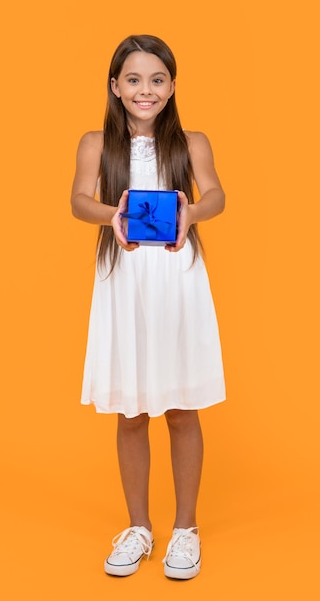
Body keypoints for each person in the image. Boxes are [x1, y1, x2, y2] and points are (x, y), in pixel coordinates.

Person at [71, 35, 226, 580]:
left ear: (173, 86)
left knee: (183, 407)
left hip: (177, 278)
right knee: (131, 411)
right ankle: (139, 526)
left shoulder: (191, 141)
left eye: (157, 79)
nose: (145, 89)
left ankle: (186, 529)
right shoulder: (96, 143)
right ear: (115, 87)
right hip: (125, 278)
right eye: (133, 79)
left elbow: (215, 195)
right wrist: (112, 214)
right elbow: (78, 201)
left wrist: (190, 214)